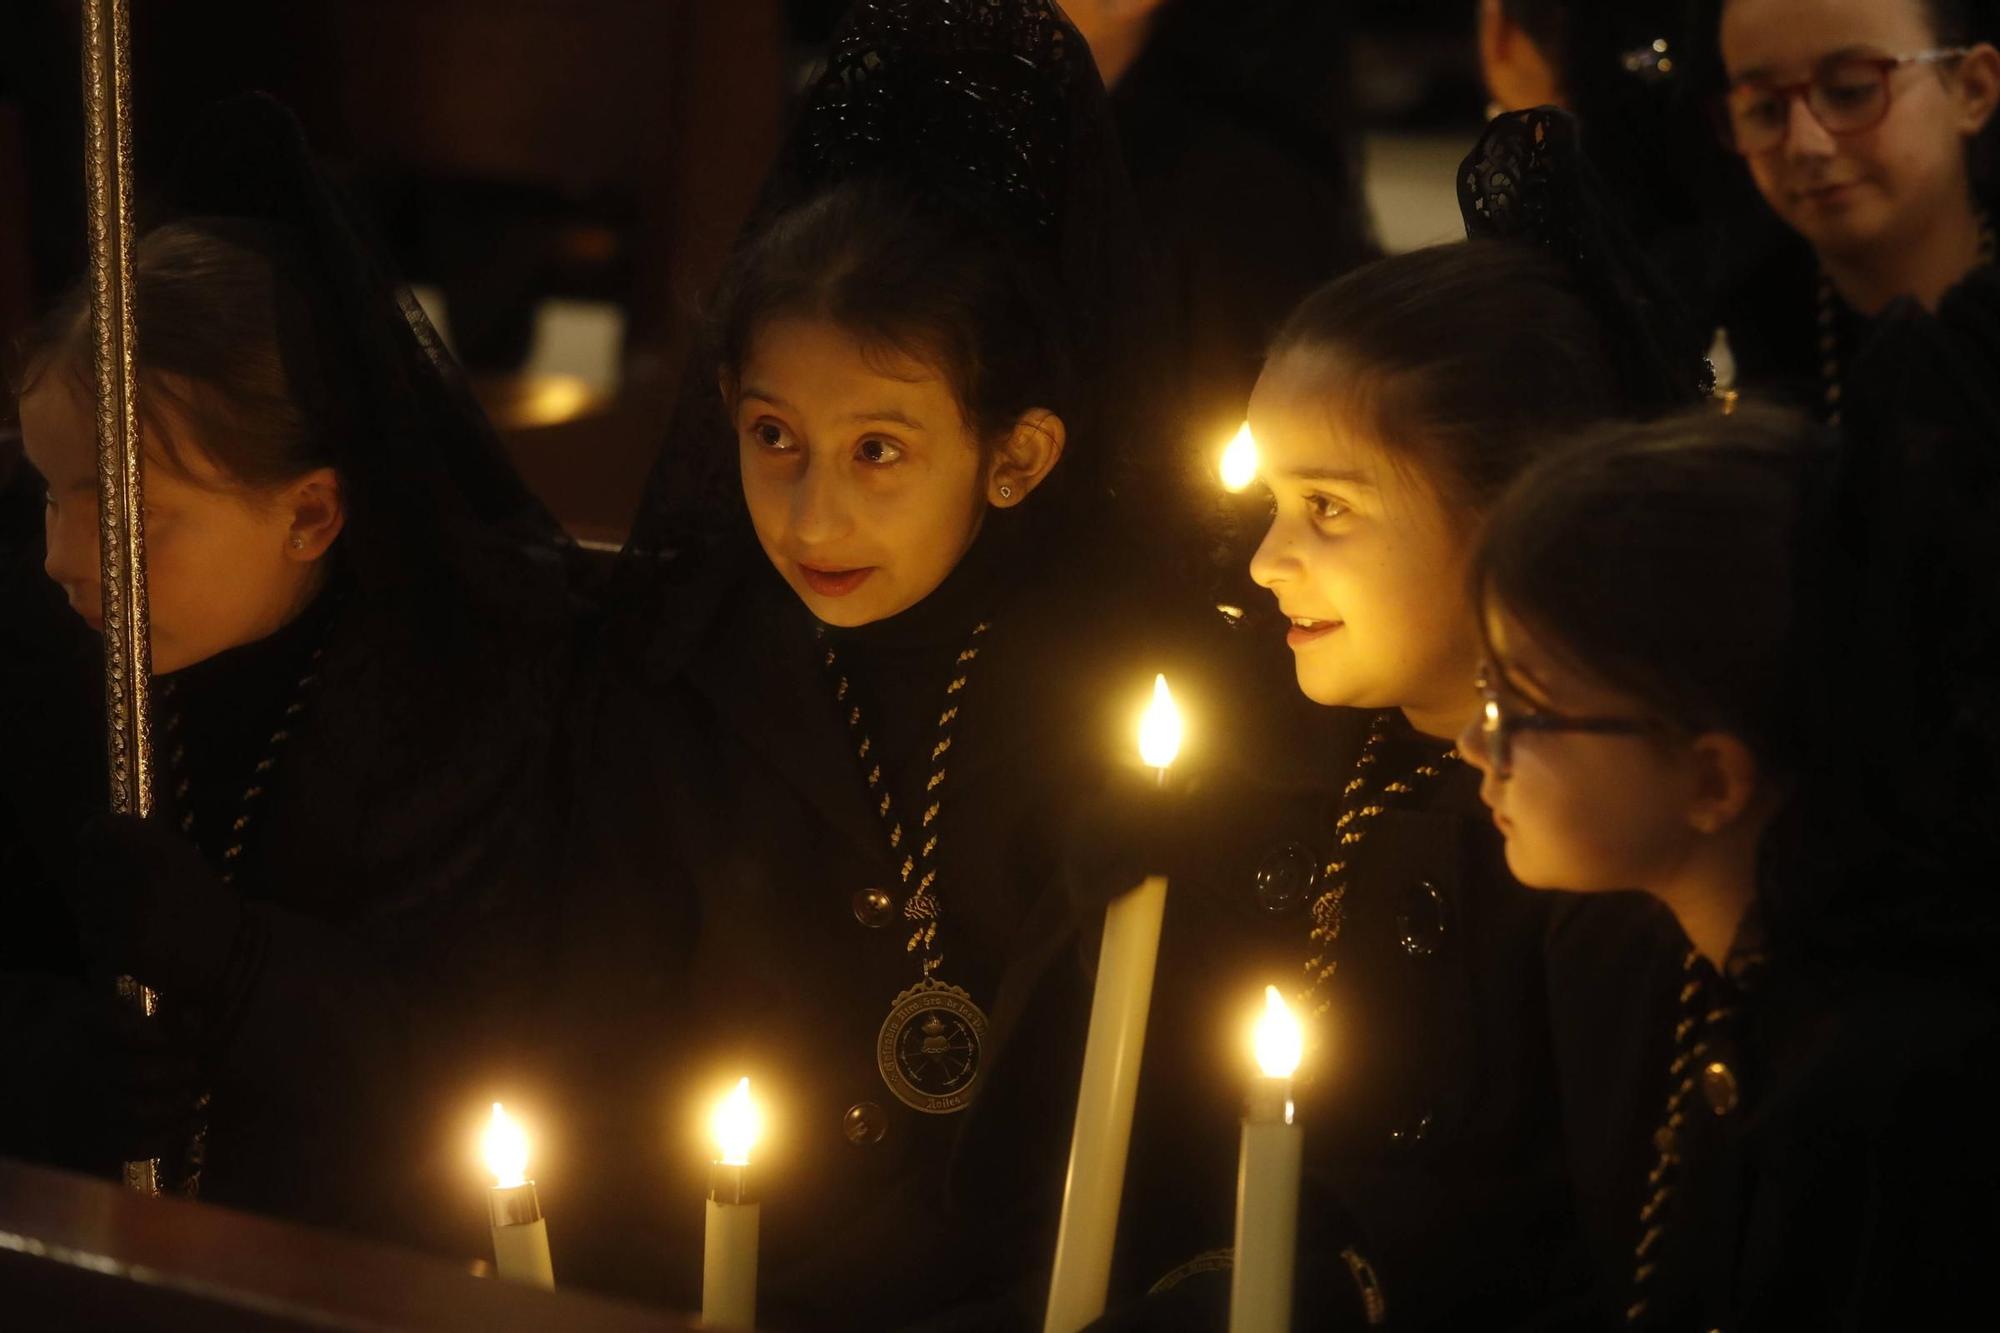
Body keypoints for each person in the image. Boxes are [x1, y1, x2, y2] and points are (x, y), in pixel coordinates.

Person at [548, 2, 1211, 1324]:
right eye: (773, 436)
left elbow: (1117, 1137)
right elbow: (596, 1041)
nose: (809, 516)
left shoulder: (1114, 698)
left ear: (1015, 457)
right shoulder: (678, 670)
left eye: (880, 450)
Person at [1098, 109, 1711, 1329]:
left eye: (1326, 509)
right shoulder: (1324, 767)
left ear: (1515, 513)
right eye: (1272, 500)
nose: (1265, 559)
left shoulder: (1611, 861)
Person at [0, 94, 572, 1250]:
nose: (60, 557)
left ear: (309, 513)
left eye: (124, 517)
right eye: (45, 490)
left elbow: (484, 1073)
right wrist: (38, 1057)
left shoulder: (458, 700)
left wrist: (241, 965)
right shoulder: (34, 642)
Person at [1463, 401, 2000, 1326]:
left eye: (1524, 710)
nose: (1477, 742)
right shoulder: (1691, 978)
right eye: (1487, 693)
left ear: (1713, 777)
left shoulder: (1896, 1103)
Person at [1700, 0, 2000, 417]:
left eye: (1851, 91)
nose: (1805, 145)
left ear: (1973, 90)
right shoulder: (1734, 346)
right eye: (1766, 109)